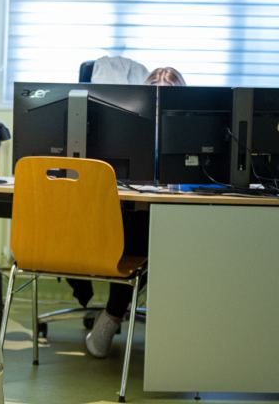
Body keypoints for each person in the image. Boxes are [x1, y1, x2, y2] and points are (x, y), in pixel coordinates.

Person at [79, 66, 186, 358]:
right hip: (126, 218)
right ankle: (112, 316)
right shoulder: (123, 130)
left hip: (182, 222)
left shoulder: (192, 132)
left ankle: (112, 316)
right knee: (137, 228)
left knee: (150, 230)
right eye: (154, 97)